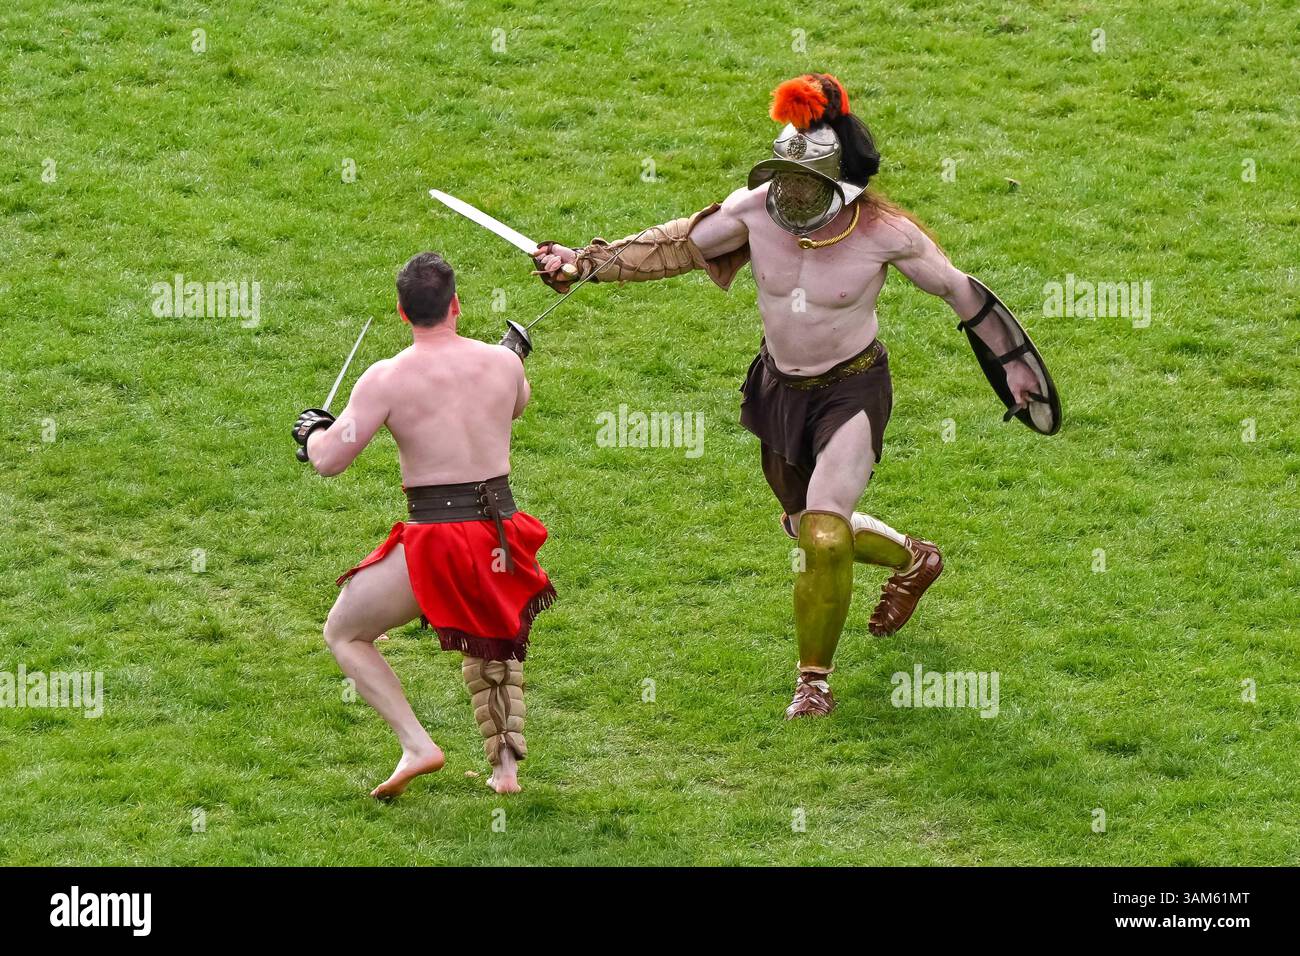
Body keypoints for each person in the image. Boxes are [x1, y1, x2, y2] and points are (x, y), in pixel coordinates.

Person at [532, 74, 1041, 718]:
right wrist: (583, 262)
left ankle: (813, 683)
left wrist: (1016, 371)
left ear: (842, 186)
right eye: (783, 178)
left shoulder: (887, 233)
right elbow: (675, 246)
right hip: (779, 388)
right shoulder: (755, 210)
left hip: (852, 390)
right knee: (808, 528)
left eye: (805, 183)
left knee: (825, 535)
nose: (789, 192)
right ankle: (914, 558)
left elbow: (960, 293)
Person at [293, 252, 555, 794]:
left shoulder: (386, 377)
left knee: (345, 632)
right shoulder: (503, 364)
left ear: (401, 312)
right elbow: (514, 405)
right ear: (456, 304)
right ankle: (505, 772)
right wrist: (510, 356)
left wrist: (313, 431)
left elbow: (329, 460)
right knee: (492, 639)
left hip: (438, 539)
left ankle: (417, 744)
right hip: (500, 532)